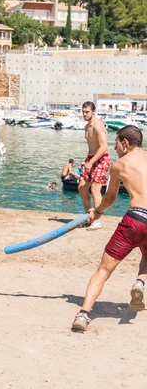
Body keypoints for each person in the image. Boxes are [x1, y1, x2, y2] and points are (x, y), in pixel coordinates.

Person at [72, 126, 147, 333]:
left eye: (116, 143)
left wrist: (97, 212)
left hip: (135, 219)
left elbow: (110, 198)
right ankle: (140, 282)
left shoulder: (119, 165)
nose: (114, 148)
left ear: (126, 143)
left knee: (103, 270)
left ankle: (83, 314)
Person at [79, 101, 110, 231]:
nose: (84, 114)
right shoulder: (87, 127)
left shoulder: (98, 125)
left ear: (93, 112)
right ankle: (89, 216)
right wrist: (88, 161)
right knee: (82, 186)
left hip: (101, 159)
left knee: (95, 189)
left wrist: (91, 162)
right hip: (90, 158)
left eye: (87, 112)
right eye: (83, 112)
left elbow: (103, 147)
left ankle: (98, 220)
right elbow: (91, 146)